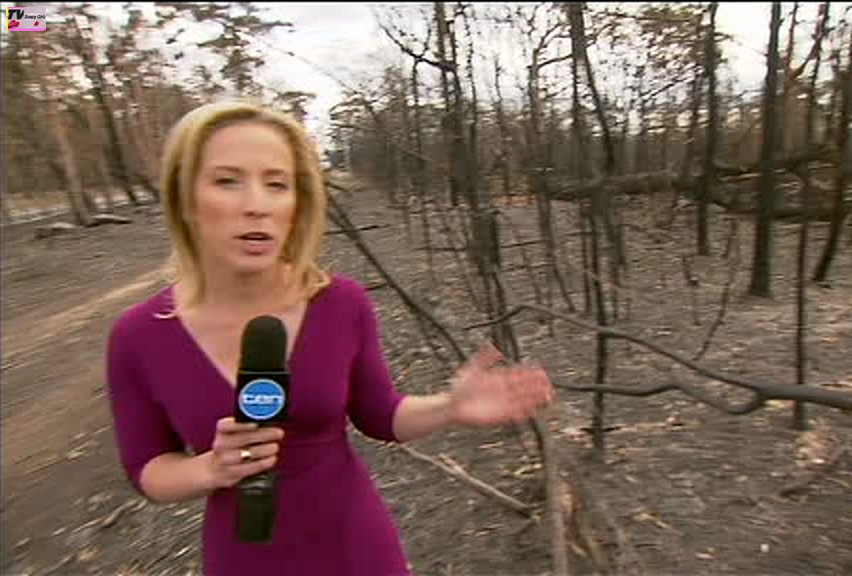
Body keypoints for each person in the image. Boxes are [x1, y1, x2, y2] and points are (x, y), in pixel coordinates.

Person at [105, 100, 555, 575]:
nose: (257, 204)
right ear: (184, 198)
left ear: (297, 203)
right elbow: (147, 467)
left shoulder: (341, 303)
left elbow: (379, 415)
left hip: (357, 549)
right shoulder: (138, 336)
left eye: (276, 184)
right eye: (227, 180)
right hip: (245, 559)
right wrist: (210, 469)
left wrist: (450, 407)